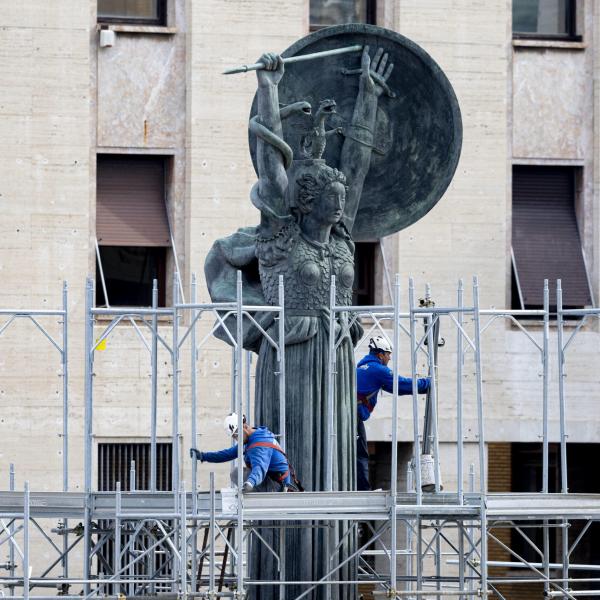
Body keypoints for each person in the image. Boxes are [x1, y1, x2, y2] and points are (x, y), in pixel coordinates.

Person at [356, 336, 431, 491]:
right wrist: (427, 384)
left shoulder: (362, 367)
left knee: (358, 453)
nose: (389, 357)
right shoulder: (378, 370)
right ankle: (362, 491)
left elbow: (391, 387)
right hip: (353, 417)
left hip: (351, 415)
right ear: (380, 354)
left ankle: (359, 488)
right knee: (360, 455)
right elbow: (400, 384)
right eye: (388, 354)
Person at [190, 413, 301, 492]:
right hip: (273, 480)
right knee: (237, 473)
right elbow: (227, 454)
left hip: (279, 486)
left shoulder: (259, 443)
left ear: (244, 426)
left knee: (237, 473)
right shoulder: (250, 439)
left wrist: (250, 483)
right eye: (234, 436)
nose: (236, 439)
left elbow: (260, 467)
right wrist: (203, 456)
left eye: (236, 435)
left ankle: (251, 492)